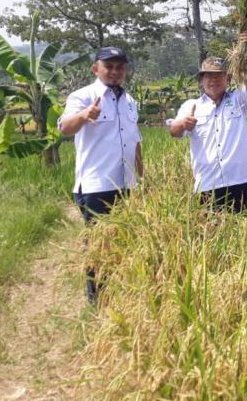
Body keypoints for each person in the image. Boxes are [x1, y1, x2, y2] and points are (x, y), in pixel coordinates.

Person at [59, 46, 143, 303]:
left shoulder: (130, 102)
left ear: (126, 71)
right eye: (109, 66)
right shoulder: (83, 96)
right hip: (97, 185)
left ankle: (120, 293)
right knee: (98, 246)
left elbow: (135, 143)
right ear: (96, 69)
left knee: (124, 241)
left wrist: (142, 180)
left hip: (127, 184)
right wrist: (85, 115)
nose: (114, 72)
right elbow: (64, 127)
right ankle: (97, 301)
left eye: (120, 67)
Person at [168, 32, 247, 213]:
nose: (214, 80)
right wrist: (182, 124)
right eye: (208, 76)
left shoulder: (239, 100)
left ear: (227, 79)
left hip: (241, 181)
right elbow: (174, 131)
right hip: (209, 185)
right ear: (201, 80)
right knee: (213, 234)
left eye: (219, 75)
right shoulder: (191, 106)